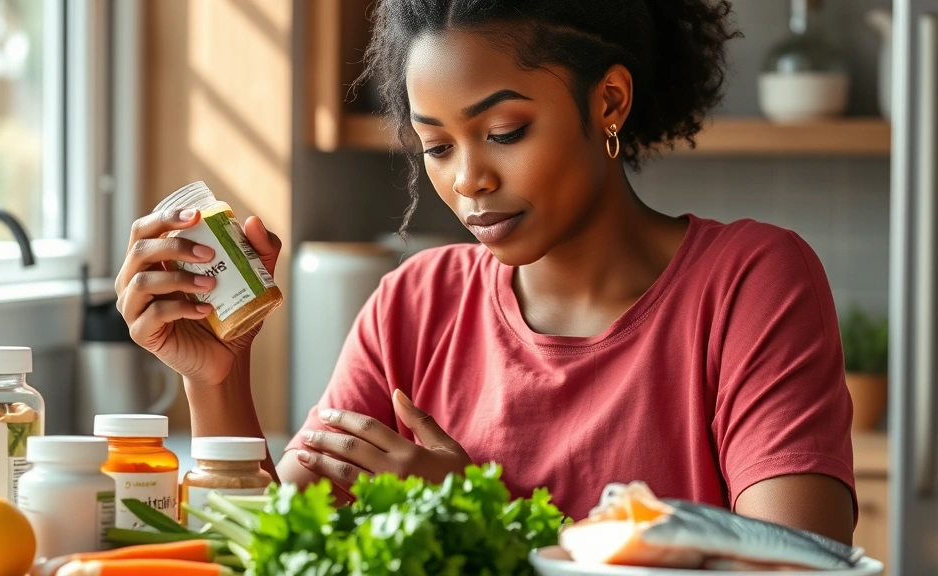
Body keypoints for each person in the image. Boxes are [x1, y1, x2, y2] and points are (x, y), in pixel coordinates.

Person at [115, 0, 856, 544]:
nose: (469, 179)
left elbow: (795, 564)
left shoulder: (749, 284)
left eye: (504, 132)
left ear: (608, 102)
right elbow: (277, 548)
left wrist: (476, 520)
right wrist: (217, 382)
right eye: (437, 146)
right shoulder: (415, 303)